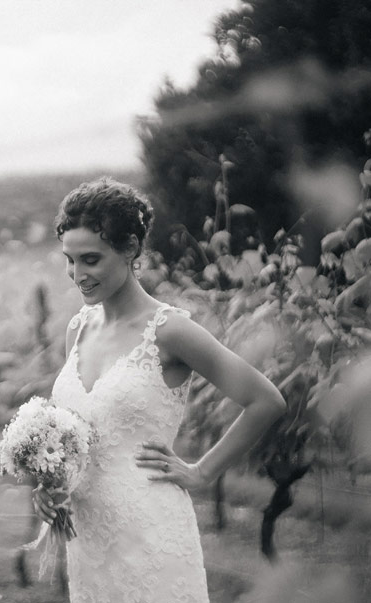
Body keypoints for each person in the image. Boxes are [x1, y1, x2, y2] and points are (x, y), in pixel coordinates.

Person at [32, 177, 287, 602]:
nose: (79, 275)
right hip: (90, 537)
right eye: (70, 260)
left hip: (150, 529)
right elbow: (83, 435)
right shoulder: (77, 329)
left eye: (91, 259)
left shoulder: (170, 331)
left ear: (130, 248)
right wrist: (54, 485)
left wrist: (202, 471)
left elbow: (266, 400)